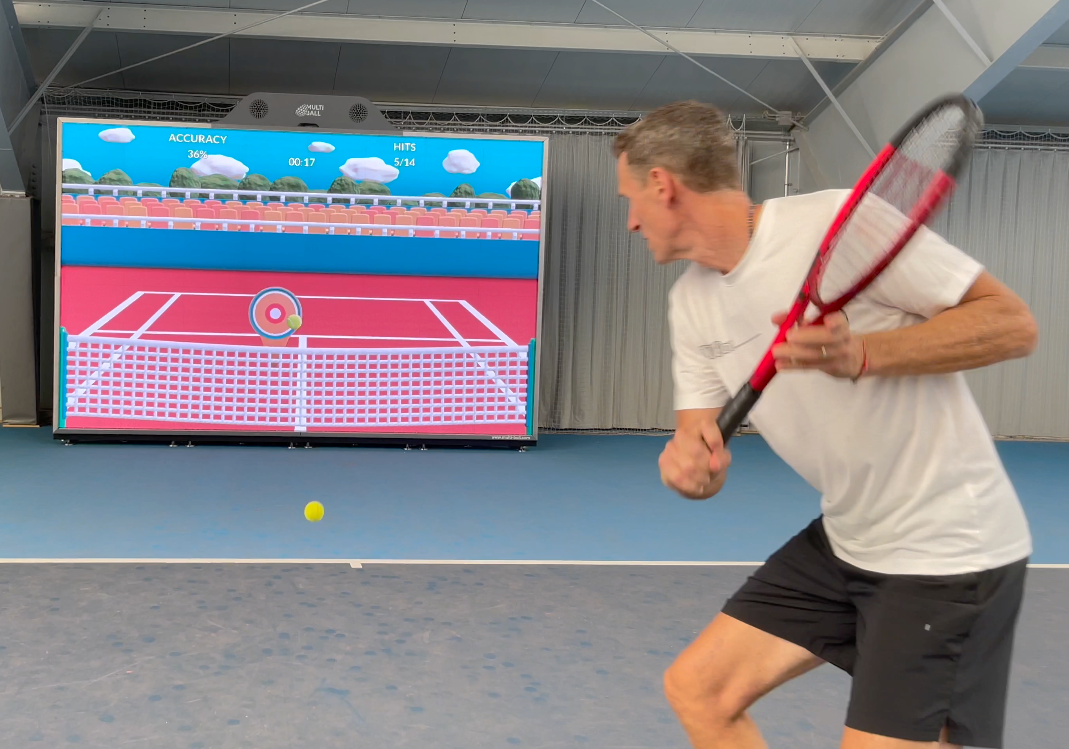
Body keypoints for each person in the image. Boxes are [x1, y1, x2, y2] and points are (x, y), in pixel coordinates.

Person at [613, 100, 1038, 749]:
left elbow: (1011, 323)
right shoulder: (690, 303)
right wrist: (688, 469)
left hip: (946, 549)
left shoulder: (837, 223)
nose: (630, 220)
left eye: (630, 198)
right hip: (849, 537)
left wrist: (865, 354)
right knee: (701, 689)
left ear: (663, 186)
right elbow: (698, 443)